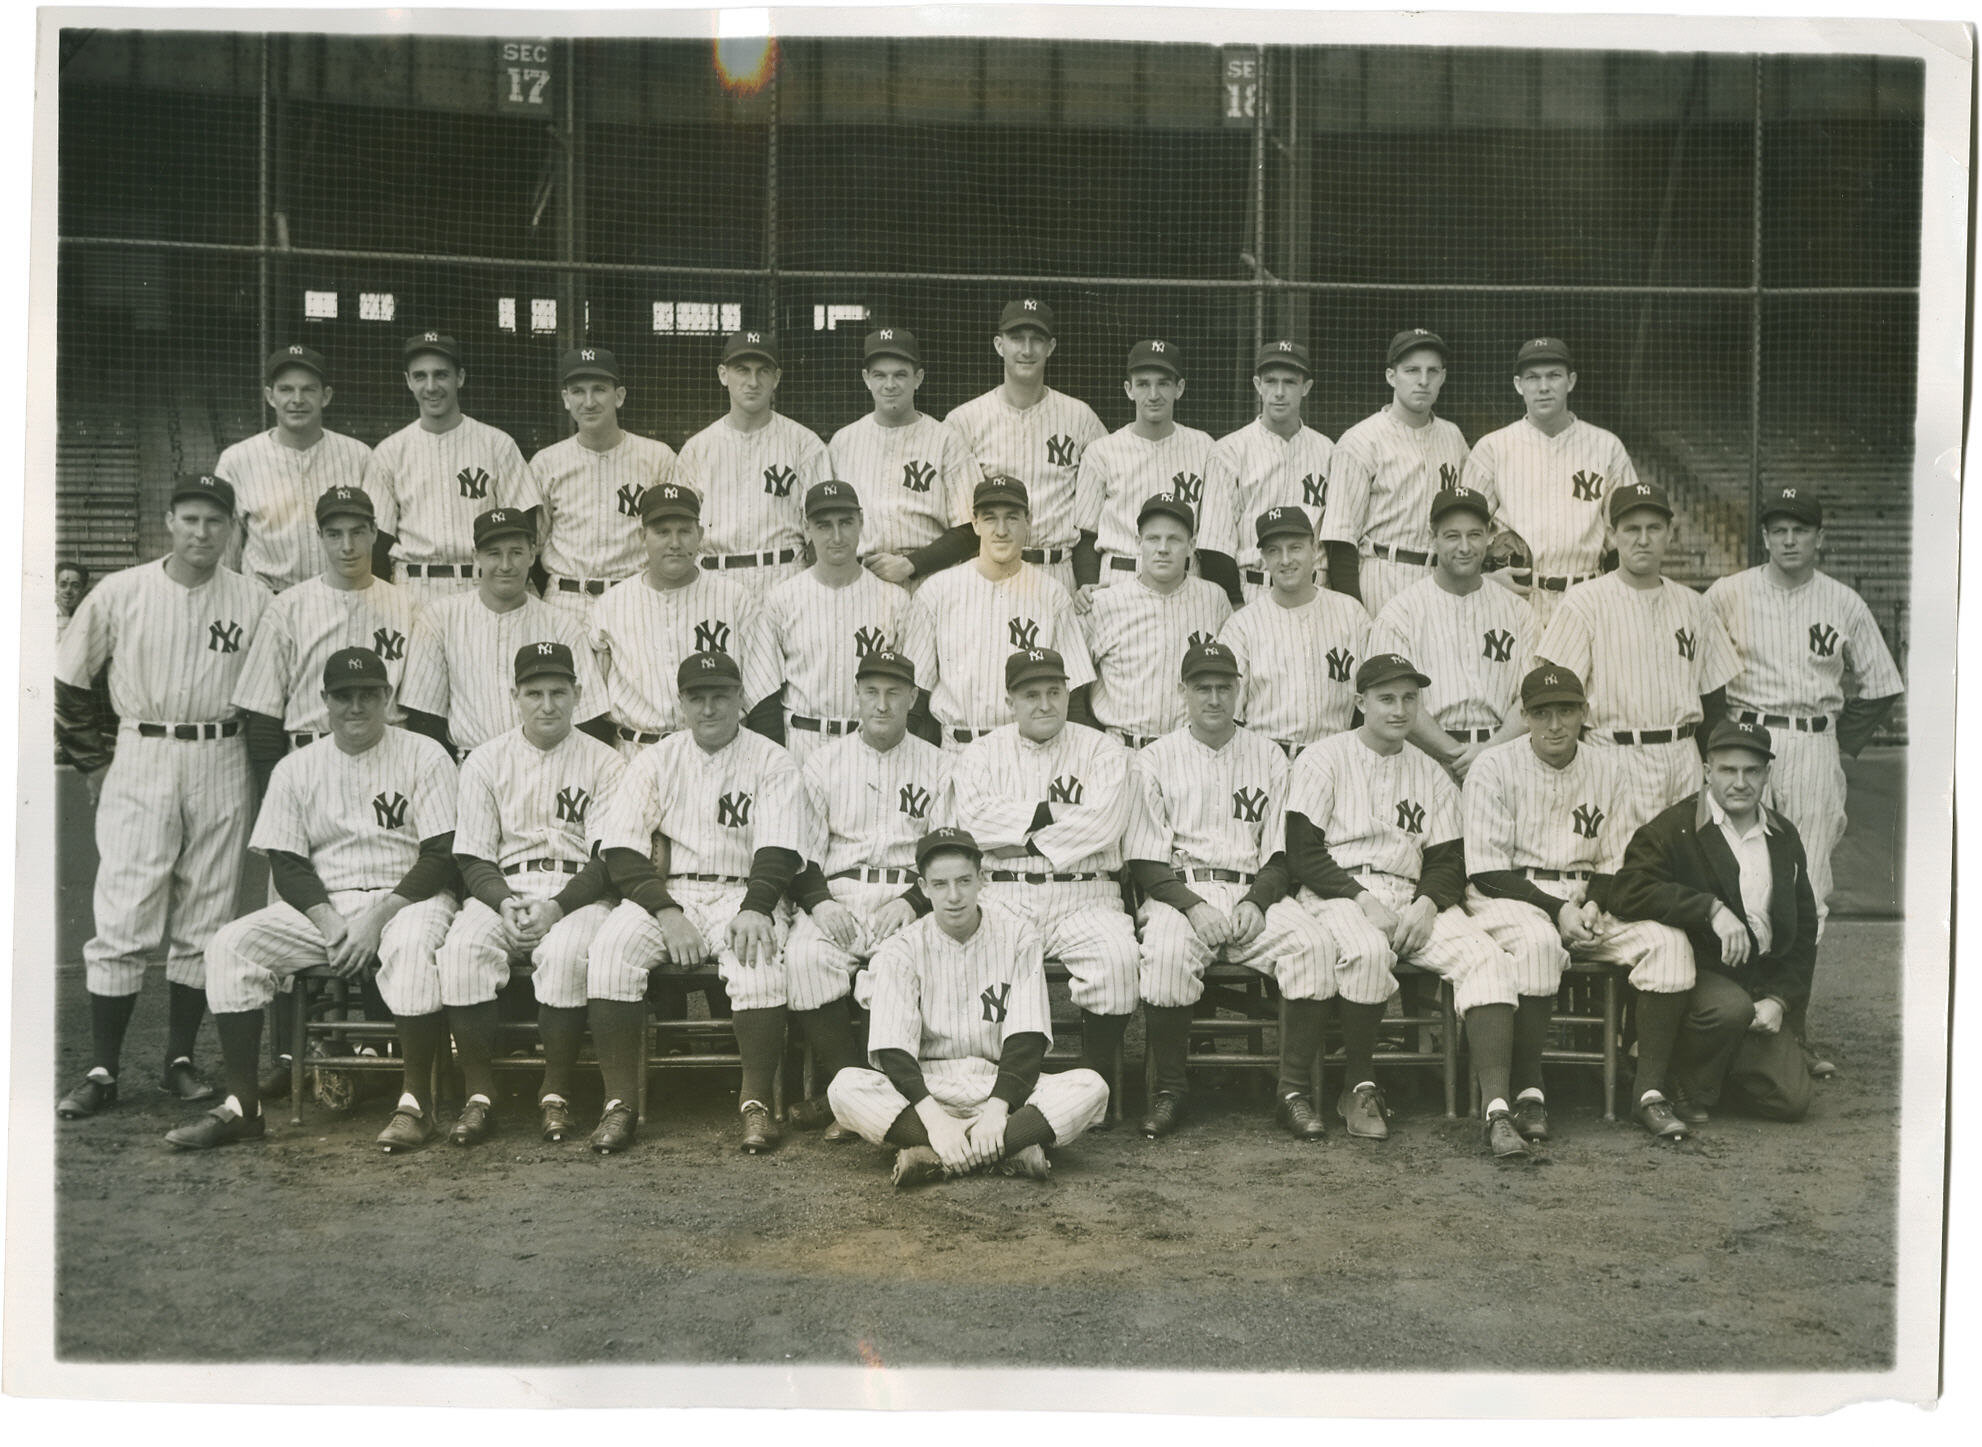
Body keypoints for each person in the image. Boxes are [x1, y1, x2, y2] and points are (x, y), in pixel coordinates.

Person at [163, 648, 460, 1151]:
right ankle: (242, 1107)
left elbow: (440, 855)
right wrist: (330, 923)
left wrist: (376, 920)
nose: (356, 706)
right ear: (324, 701)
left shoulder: (424, 754)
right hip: (329, 905)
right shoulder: (296, 768)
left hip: (410, 899)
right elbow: (287, 861)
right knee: (230, 946)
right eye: (344, 696)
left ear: (388, 698)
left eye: (369, 694)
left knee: (409, 951)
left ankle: (415, 1105)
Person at [55, 474, 270, 1121]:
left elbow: (271, 692)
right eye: (191, 518)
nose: (202, 532)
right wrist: (94, 764)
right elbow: (68, 682)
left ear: (230, 528)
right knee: (125, 907)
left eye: (214, 521)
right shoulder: (121, 591)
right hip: (142, 749)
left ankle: (178, 1059)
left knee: (206, 912)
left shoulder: (253, 597)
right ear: (168, 520)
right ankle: (103, 1068)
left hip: (222, 750)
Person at [1284, 653, 1529, 1159]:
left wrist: (1426, 905)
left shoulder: (1430, 771)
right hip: (1338, 891)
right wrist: (1360, 899)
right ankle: (1359, 1086)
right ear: (1360, 702)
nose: (1400, 709)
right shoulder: (1322, 758)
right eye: (1387, 698)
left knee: (1486, 959)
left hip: (1410, 893)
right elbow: (1302, 852)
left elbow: (1448, 857)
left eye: (1410, 699)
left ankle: (1498, 1109)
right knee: (1367, 953)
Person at [582, 651, 826, 1156]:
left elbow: (780, 848)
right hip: (673, 893)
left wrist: (757, 907)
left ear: (740, 699)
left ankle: (756, 1102)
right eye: (698, 697)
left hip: (746, 891)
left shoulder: (772, 759)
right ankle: (619, 1103)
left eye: (721, 696)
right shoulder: (656, 759)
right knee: (609, 951)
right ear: (682, 703)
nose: (710, 708)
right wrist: (667, 912)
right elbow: (622, 850)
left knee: (756, 959)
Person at [1460, 665, 1698, 1142]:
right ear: (1524, 716)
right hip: (1512, 896)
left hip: (1587, 900)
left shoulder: (1610, 766)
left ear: (1584, 713)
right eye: (1542, 713)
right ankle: (1530, 1092)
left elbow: (1618, 857)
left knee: (1670, 944)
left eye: (1566, 711)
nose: (1555, 725)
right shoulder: (1493, 765)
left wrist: (1593, 905)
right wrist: (1559, 910)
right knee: (1538, 943)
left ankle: (1648, 1093)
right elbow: (1487, 868)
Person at [1126, 641, 1339, 1142]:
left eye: (1225, 687)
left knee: (1313, 945)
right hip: (1183, 891)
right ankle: (1171, 1090)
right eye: (1203, 688)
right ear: (1184, 694)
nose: (1215, 699)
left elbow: (1282, 854)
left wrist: (1257, 901)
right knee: (1167, 954)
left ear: (1239, 692)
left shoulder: (1268, 756)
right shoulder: (1154, 759)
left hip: (1250, 892)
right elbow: (1144, 858)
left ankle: (1292, 1092)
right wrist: (1194, 907)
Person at [826, 827, 1111, 1186]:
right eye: (940, 884)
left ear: (982, 880)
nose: (954, 895)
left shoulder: (1018, 936)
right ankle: (1008, 1148)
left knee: (1091, 1086)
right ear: (925, 888)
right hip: (929, 1087)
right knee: (844, 1087)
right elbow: (894, 1051)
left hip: (998, 1085)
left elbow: (1027, 1036)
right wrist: (936, 1121)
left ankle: (935, 1156)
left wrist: (997, 1109)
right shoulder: (902, 947)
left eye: (964, 881)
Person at [437, 642, 627, 1146]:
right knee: (461, 951)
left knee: (566, 953)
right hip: (504, 887)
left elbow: (608, 858)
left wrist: (556, 907)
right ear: (514, 696)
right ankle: (479, 1094)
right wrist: (503, 902)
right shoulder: (485, 760)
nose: (547, 705)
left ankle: (555, 1091)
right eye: (535, 693)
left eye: (559, 692)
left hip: (577, 892)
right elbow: (473, 855)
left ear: (577, 695)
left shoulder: (606, 762)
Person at [1704, 485, 1904, 935]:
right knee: (1740, 871)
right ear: (1765, 537)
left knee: (1808, 879)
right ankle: (1742, 994)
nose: (1789, 540)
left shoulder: (1843, 601)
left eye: (1800, 530)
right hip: (1745, 736)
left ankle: (1790, 1002)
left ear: (1819, 536)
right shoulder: (1726, 594)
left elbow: (1883, 685)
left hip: (1813, 741)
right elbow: (1701, 675)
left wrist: (1836, 744)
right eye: (1779, 530)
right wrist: (1716, 739)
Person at [1608, 719, 1819, 1128]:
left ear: (1766, 775)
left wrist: (1779, 1000)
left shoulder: (1783, 834)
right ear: (1707, 771)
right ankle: (1682, 1081)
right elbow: (1626, 891)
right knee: (1728, 1010)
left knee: (1792, 1101)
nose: (1740, 782)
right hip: (1697, 983)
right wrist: (1709, 908)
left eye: (1751, 771)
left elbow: (1804, 932)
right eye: (1727, 770)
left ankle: (1712, 1071)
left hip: (1757, 990)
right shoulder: (1676, 827)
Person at [948, 648, 1138, 1097]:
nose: (1045, 703)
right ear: (1010, 701)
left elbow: (1104, 825)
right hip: (1002, 893)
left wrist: (1018, 838)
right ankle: (999, 1082)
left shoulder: (1104, 750)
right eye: (1031, 694)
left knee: (1120, 962)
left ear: (1067, 693)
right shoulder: (980, 754)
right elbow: (973, 824)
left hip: (1086, 894)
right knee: (977, 969)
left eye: (1055, 692)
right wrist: (1052, 813)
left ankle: (1094, 1080)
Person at [783, 648, 952, 1137]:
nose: (882, 704)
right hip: (838, 892)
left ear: (912, 698)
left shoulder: (938, 765)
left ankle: (877, 1097)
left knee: (897, 968)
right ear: (856, 696)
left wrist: (913, 902)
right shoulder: (822, 764)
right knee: (804, 960)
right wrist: (820, 904)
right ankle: (846, 1091)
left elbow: (944, 851)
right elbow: (803, 851)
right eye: (872, 692)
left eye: (894, 693)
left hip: (905, 895)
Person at [1535, 480, 1739, 847]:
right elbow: (1555, 695)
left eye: (1653, 528)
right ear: (1612, 535)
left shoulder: (1696, 606)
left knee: (1683, 877)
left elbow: (1714, 705)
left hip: (1682, 757)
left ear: (1669, 534)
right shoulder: (1584, 602)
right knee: (1618, 877)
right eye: (1631, 529)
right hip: (1612, 756)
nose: (1643, 539)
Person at [231, 485, 441, 792]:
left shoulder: (408, 608)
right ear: (319, 537)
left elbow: (425, 714)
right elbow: (264, 719)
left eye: (357, 532)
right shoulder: (287, 608)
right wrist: (272, 793)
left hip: (390, 763)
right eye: (334, 534)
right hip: (307, 762)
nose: (347, 546)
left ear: (374, 532)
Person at [896, 474, 1096, 751]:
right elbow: (916, 694)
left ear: (1029, 522)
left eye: (1012, 517)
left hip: (1028, 751)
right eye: (990, 518)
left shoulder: (1052, 595)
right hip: (958, 749)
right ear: (975, 523)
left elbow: (1073, 695)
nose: (1001, 530)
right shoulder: (936, 592)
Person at [396, 507, 611, 756]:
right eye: (494, 554)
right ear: (476, 557)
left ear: (532, 554)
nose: (506, 565)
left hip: (545, 766)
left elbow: (588, 719)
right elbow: (425, 719)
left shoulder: (561, 624)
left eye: (516, 553)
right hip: (468, 765)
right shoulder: (440, 618)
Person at [1461, 336, 1639, 626]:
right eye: (1533, 377)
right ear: (1519, 384)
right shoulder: (1492, 448)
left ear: (1571, 381)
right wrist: (1484, 580)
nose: (1543, 387)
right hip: (1516, 598)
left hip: (1587, 598)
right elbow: (1463, 530)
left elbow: (1625, 536)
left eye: (1553, 376)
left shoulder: (1607, 447)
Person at [592, 481, 776, 756]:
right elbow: (593, 709)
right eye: (663, 532)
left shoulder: (735, 600)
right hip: (636, 752)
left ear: (700, 533)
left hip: (719, 752)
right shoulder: (610, 606)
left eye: (685, 531)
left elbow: (764, 698)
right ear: (643, 535)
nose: (675, 543)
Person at [1368, 486, 1533, 783]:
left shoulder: (1518, 612)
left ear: (1488, 535)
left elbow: (1531, 698)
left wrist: (1489, 752)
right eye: (1452, 536)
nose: (1465, 547)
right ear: (1433, 539)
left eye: (1474, 534)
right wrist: (1457, 755)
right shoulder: (1400, 613)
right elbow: (1396, 703)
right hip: (1425, 762)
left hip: (1505, 757)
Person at [363, 331, 541, 605]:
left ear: (460, 378)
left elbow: (525, 527)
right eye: (420, 376)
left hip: (482, 585)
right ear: (408, 381)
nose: (431, 386)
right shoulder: (389, 452)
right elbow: (377, 542)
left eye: (441, 375)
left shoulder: (497, 445)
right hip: (413, 587)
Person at [944, 298, 1106, 594]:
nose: (1027, 350)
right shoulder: (964, 421)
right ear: (999, 344)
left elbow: (1097, 513)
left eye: (1037, 340)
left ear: (1051, 347)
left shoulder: (1081, 418)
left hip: (1059, 570)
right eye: (1017, 338)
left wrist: (1087, 579)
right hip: (992, 572)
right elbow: (962, 523)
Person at [745, 480, 910, 763]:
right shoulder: (781, 600)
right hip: (803, 743)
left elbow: (910, 694)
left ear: (860, 522)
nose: (836, 536)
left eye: (845, 522)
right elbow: (763, 694)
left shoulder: (895, 600)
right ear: (807, 528)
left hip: (870, 745)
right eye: (823, 525)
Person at [1322, 328, 1471, 616]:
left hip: (1440, 578)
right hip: (1382, 574)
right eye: (1412, 370)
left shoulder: (1453, 437)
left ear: (1443, 377)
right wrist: (1352, 610)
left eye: (1432, 371)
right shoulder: (1361, 440)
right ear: (1392, 376)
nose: (1423, 381)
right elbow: (1340, 539)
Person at [1072, 339, 1229, 603]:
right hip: (1117, 580)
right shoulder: (1102, 451)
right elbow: (1086, 535)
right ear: (1129, 389)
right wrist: (1088, 583)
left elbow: (1213, 537)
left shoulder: (1205, 447)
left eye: (1163, 383)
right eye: (1143, 384)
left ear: (1179, 388)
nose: (1153, 394)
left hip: (1185, 583)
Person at [531, 345, 678, 623]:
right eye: (577, 391)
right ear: (565, 399)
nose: (589, 401)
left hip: (635, 597)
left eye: (599, 389)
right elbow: (530, 545)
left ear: (619, 396)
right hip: (565, 601)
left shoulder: (657, 457)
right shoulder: (546, 463)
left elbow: (676, 537)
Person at [673, 330, 831, 587]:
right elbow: (679, 530)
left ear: (776, 378)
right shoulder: (697, 449)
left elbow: (821, 529)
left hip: (785, 576)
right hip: (714, 578)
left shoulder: (805, 444)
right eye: (742, 370)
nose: (753, 381)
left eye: (763, 371)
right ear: (723, 375)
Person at [827, 326, 981, 589]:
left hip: (931, 580)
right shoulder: (842, 442)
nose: (890, 385)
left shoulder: (946, 440)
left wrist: (911, 563)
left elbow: (971, 530)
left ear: (918, 378)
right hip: (863, 579)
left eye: (900, 375)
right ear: (866, 378)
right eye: (880, 375)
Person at [1079, 492, 1232, 749]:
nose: (1162, 548)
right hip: (1123, 748)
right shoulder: (1105, 604)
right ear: (1138, 542)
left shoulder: (1214, 599)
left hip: (1189, 750)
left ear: (1191, 545)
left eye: (1174, 539)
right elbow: (1072, 682)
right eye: (1153, 539)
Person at [217, 344, 374, 593]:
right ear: (270, 396)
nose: (297, 400)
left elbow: (373, 540)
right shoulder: (237, 459)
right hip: (267, 601)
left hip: (340, 599)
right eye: (286, 390)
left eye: (308, 389)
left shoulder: (359, 456)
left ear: (326, 396)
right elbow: (226, 553)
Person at [1216, 506, 1369, 759]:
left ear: (1314, 548)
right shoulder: (1241, 626)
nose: (1285, 560)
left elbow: (1374, 700)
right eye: (1274, 551)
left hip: (1334, 759)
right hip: (1265, 761)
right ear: (1264, 557)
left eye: (1295, 547)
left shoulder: (1352, 614)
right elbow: (1228, 717)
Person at [1203, 339, 1335, 604]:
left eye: (1289, 382)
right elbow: (1214, 542)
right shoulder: (1229, 450)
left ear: (1306, 387)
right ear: (1257, 385)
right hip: (1253, 589)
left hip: (1315, 593)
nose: (1279, 392)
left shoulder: (1328, 451)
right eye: (1271, 381)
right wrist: (1236, 604)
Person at [56, 560, 90, 640]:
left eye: (75, 586)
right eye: (63, 585)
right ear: (56, 587)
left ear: (83, 590)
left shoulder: (89, 620)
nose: (68, 591)